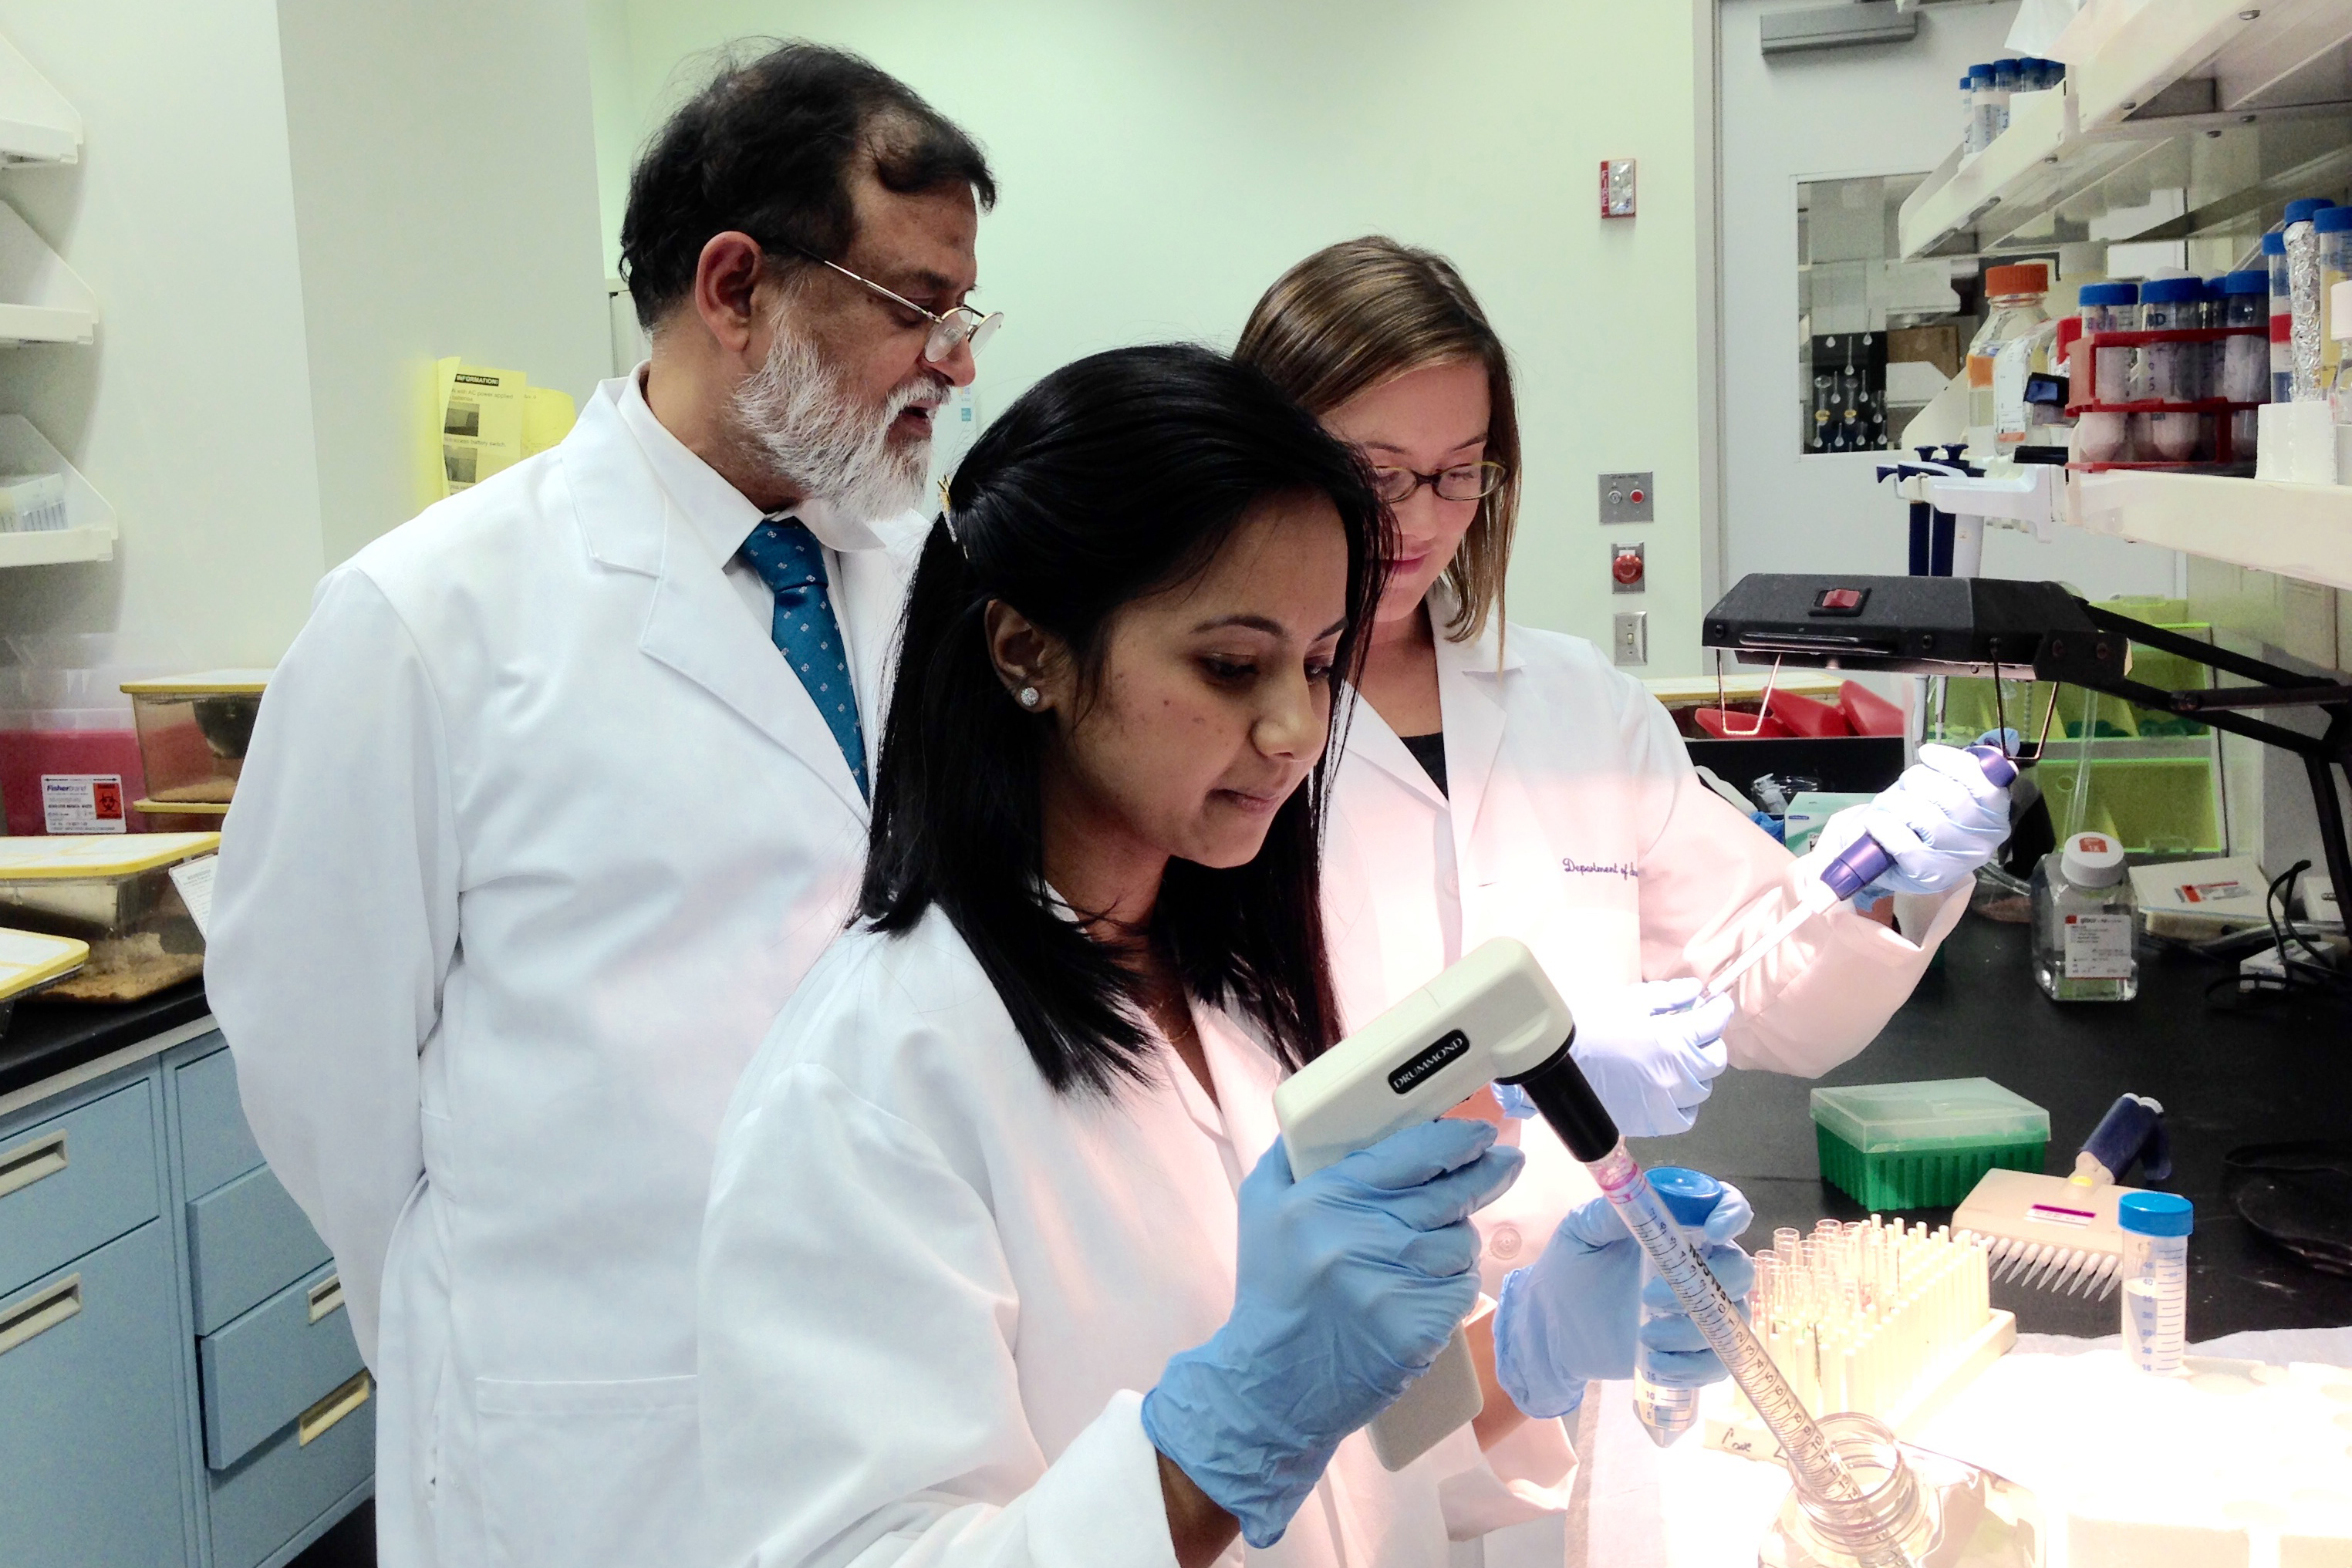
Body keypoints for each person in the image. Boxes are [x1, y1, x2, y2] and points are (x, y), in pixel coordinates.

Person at [697, 345, 1754, 1568]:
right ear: (1025, 651)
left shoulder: (1234, 991)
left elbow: (1351, 1464)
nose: (1297, 729)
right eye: (1230, 665)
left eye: (1316, 663)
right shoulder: (870, 1079)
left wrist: (1531, 1349)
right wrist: (1233, 1424)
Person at [206, 44, 997, 1568]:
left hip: (901, 1382)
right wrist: (478, 1306)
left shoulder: (923, 584)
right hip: (593, 1425)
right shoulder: (428, 615)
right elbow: (319, 1063)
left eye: (962, 311)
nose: (953, 357)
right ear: (734, 285)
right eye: (914, 304)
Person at [1236, 238, 2010, 1144]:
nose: (1419, 520)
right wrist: (1504, 1074)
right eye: (1376, 474)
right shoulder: (1218, 737)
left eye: (1457, 473)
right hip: (1333, 1272)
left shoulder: (1580, 705)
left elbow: (1752, 991)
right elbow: (1199, 1095)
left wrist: (1878, 876)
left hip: (1580, 1263)